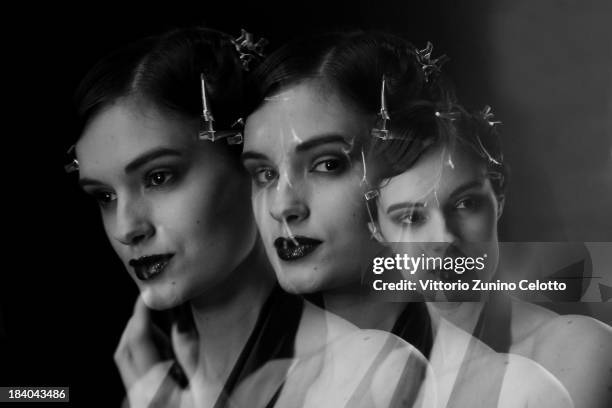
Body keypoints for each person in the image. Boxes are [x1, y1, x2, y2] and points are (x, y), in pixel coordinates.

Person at [71, 26, 427, 408]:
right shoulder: (150, 385)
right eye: (104, 196)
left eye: (159, 177)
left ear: (246, 166)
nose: (127, 228)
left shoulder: (369, 371)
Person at [243, 30, 577, 407]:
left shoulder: (517, 387)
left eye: (328, 164)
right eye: (264, 173)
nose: (281, 205)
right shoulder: (273, 387)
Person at [365, 98, 612, 407]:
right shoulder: (381, 381)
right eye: (411, 218)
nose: (444, 238)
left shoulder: (581, 351)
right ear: (377, 229)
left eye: (465, 203)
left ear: (500, 200)